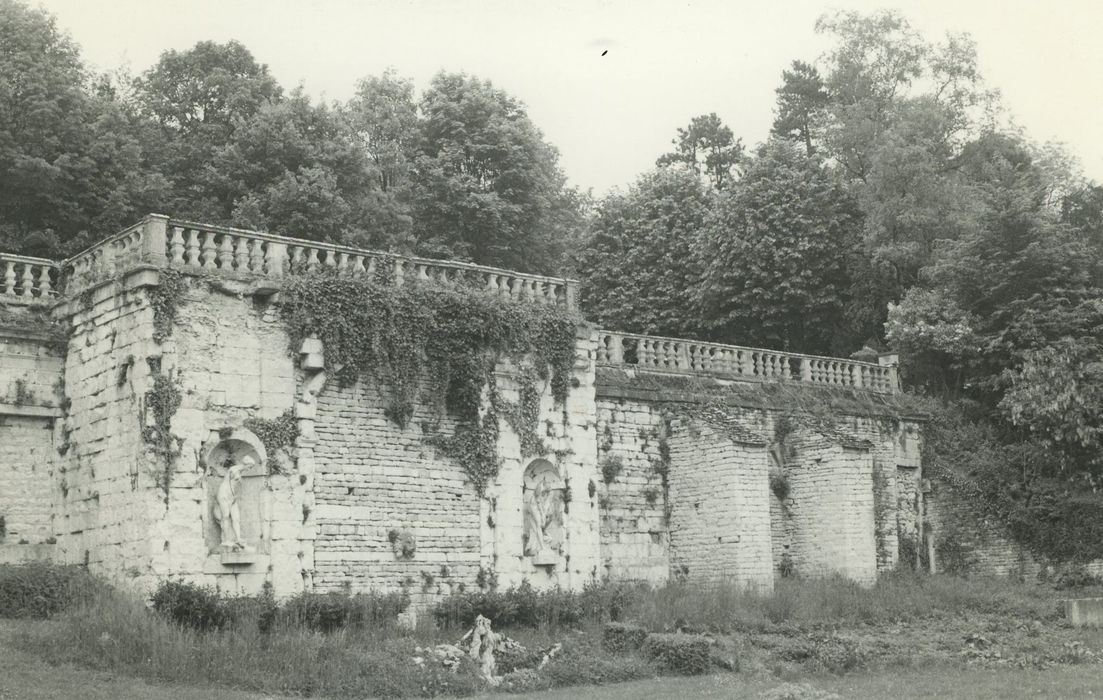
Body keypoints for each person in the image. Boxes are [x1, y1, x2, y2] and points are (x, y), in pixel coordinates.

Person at [213, 456, 255, 550]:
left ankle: (238, 539)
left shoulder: (240, 471)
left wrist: (234, 497)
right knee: (225, 516)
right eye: (250, 466)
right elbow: (231, 486)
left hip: (232, 496)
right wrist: (232, 497)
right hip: (224, 494)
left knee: (236, 518)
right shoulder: (235, 470)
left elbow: (235, 487)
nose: (250, 469)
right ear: (246, 464)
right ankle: (226, 539)